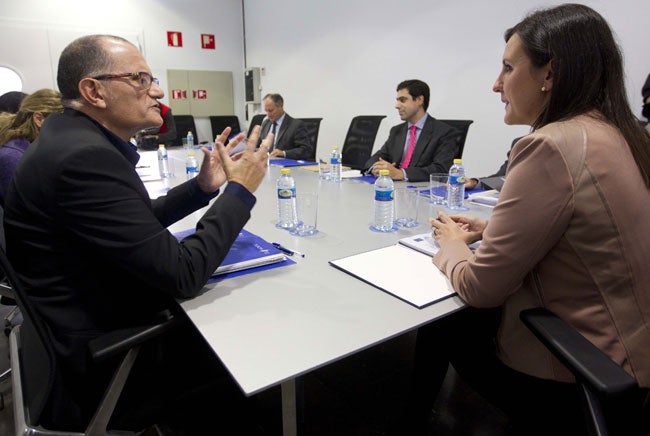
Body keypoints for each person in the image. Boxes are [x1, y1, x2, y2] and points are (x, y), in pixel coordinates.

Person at [3, 34, 272, 433]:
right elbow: (184, 274)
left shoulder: (70, 141)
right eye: (140, 79)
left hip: (74, 327)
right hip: (108, 356)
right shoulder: (85, 157)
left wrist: (201, 189)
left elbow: (134, 223)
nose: (158, 91)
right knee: (255, 350)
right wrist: (239, 191)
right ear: (93, 90)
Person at [422, 4, 650, 435]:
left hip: (583, 370)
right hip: (635, 354)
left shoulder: (550, 145)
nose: (496, 84)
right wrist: (490, 229)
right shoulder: (618, 131)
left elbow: (480, 287)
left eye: (507, 68)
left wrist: (451, 243)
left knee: (444, 324)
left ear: (549, 75)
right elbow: (592, 229)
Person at [362, 79, 460, 182]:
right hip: (393, 188)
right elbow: (378, 157)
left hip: (420, 192)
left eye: (403, 100)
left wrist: (401, 174)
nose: (397, 105)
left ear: (419, 100)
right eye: (397, 100)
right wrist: (376, 168)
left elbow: (441, 170)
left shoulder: (445, 132)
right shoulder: (396, 131)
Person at [0, 88, 63, 206]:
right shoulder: (12, 157)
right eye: (62, 124)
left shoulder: (35, 148)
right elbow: (23, 209)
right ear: (39, 119)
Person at [258, 93, 313, 160]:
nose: (268, 114)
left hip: (286, 166)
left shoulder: (296, 125)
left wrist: (283, 153)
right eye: (266, 111)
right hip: (266, 163)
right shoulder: (266, 123)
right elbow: (260, 144)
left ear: (281, 106)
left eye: (271, 110)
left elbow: (306, 150)